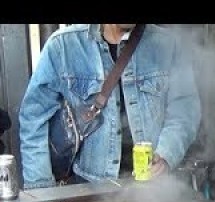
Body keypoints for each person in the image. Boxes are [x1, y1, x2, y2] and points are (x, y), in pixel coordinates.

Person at [19, 24, 201, 189]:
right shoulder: (63, 46)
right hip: (88, 188)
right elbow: (33, 120)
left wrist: (167, 154)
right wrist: (41, 190)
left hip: (152, 192)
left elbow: (184, 111)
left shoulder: (168, 45)